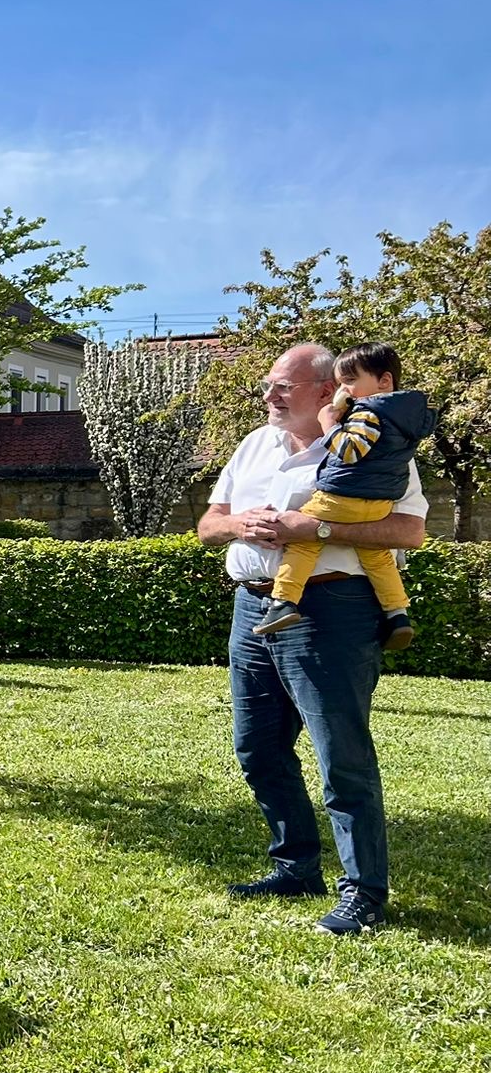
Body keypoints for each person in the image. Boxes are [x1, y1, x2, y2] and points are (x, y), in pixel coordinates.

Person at [197, 342, 428, 935]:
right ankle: (296, 866)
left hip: (333, 609)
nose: (268, 396)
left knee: (340, 755)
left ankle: (364, 893)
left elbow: (408, 530)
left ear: (326, 392)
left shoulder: (376, 440)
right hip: (253, 607)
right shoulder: (254, 444)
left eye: (282, 386)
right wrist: (238, 525)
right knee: (258, 748)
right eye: (268, 386)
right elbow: (207, 523)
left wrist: (314, 526)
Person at [254, 342, 431, 650]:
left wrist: (328, 426)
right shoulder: (404, 420)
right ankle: (397, 613)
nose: (343, 388)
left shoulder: (368, 413)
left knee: (302, 539)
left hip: (343, 495)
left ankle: (283, 601)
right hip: (378, 503)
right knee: (376, 555)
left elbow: (350, 452)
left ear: (384, 382)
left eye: (349, 380)